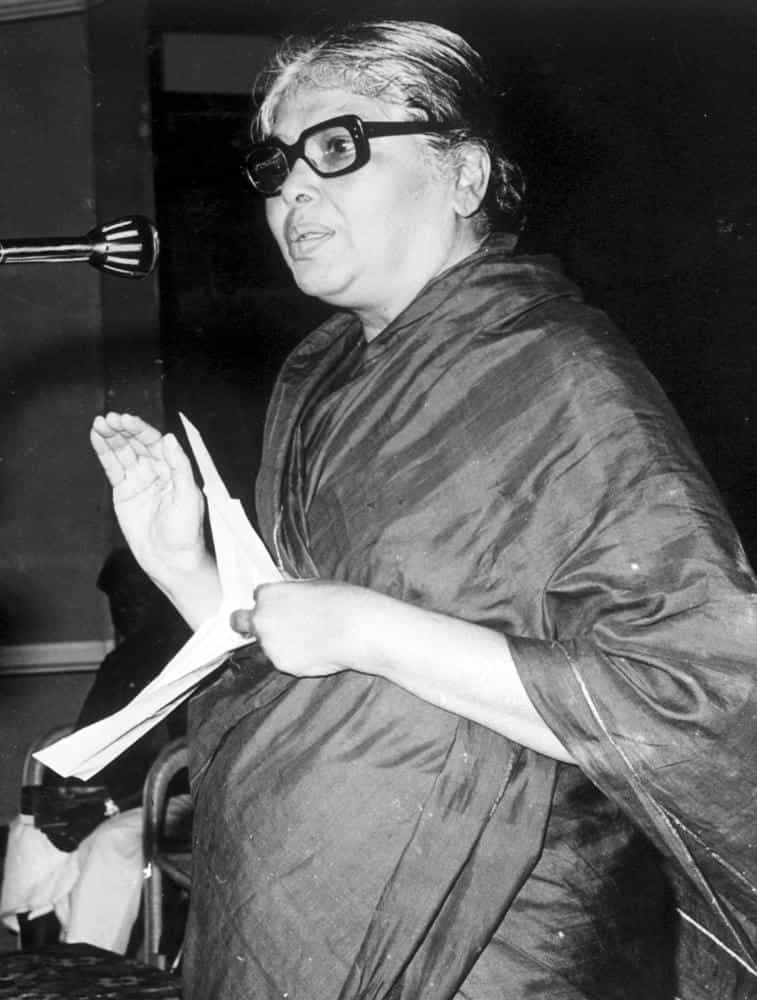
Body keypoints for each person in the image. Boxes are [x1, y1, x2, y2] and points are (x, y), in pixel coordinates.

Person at [88, 20, 757, 999]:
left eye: (336, 147)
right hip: (297, 914)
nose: (292, 190)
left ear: (464, 175)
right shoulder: (323, 376)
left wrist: (371, 629)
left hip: (490, 936)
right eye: (273, 165)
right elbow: (304, 663)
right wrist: (185, 565)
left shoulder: (554, 372)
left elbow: (704, 693)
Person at [0, 548, 191, 955]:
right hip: (112, 797)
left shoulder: (191, 655)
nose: (126, 610)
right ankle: (40, 957)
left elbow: (185, 756)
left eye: (136, 597)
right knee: (31, 828)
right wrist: (70, 796)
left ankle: (89, 966)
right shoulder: (120, 662)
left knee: (111, 846)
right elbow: (88, 738)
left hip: (174, 798)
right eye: (118, 601)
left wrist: (110, 804)